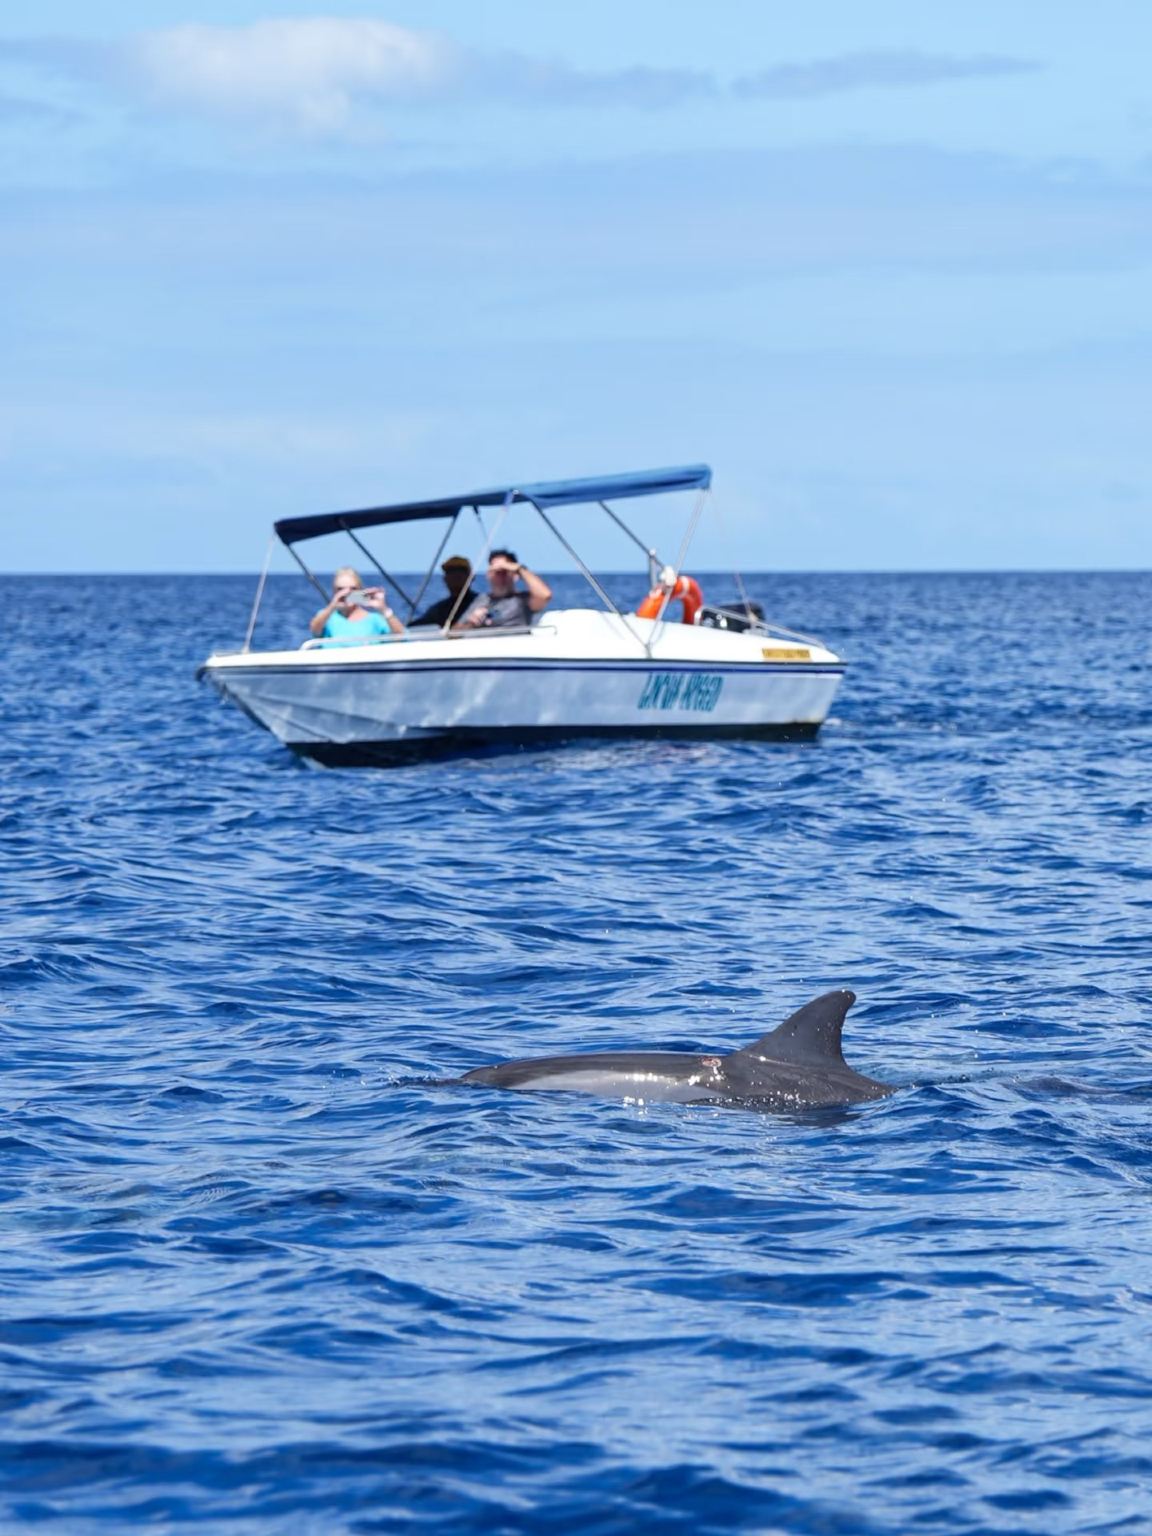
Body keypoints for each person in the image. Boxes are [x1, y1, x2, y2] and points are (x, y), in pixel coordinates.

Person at [457, 550, 552, 629]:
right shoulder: (480, 600)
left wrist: (519, 569)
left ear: (515, 575)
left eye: (505, 572)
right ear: (488, 574)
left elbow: (545, 595)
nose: (500, 576)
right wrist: (471, 622)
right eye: (496, 572)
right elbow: (453, 633)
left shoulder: (522, 600)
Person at [310, 567, 405, 643]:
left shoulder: (375, 619)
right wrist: (332, 606)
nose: (346, 593)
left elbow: (401, 638)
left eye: (353, 589)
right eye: (340, 589)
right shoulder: (327, 617)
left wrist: (383, 609)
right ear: (334, 592)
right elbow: (315, 629)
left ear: (360, 590)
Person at [411, 555, 479, 628]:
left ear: (471, 577)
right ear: (444, 579)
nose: (455, 574)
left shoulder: (482, 602)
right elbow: (416, 627)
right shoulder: (438, 610)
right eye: (450, 570)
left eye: (461, 570)